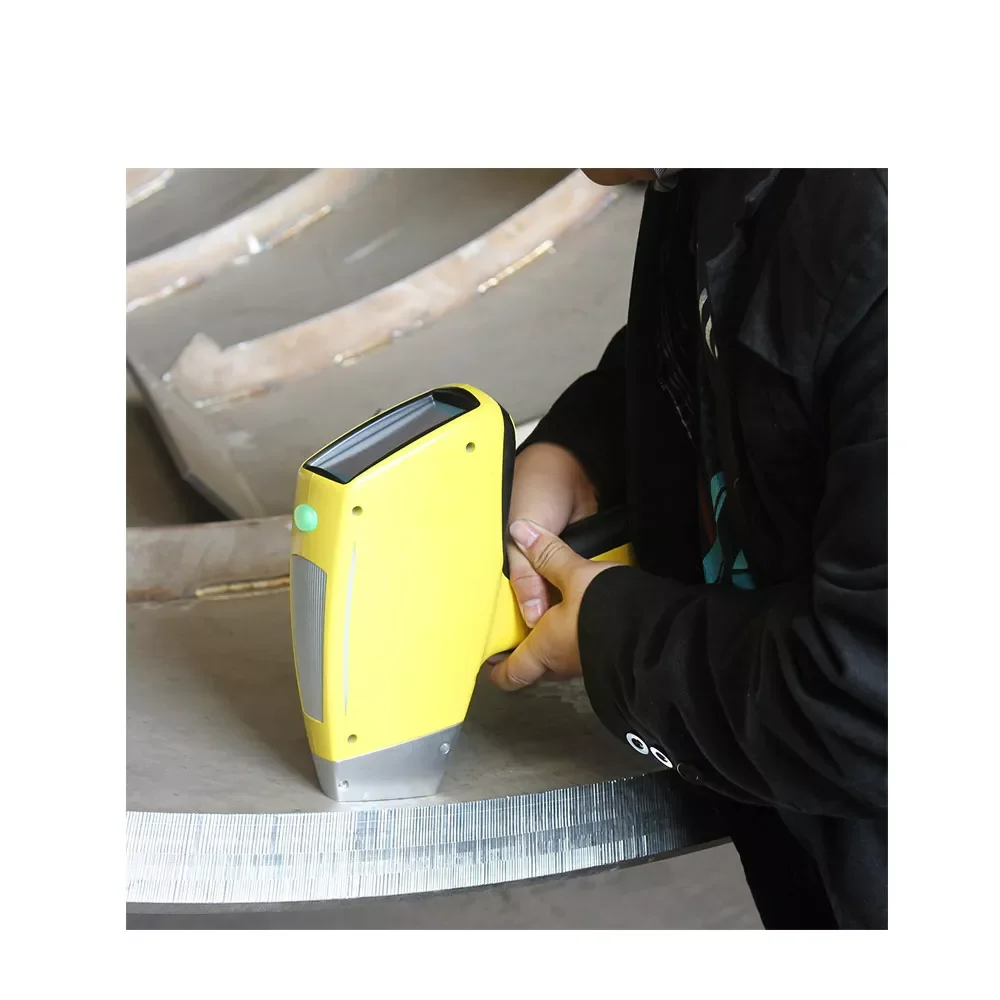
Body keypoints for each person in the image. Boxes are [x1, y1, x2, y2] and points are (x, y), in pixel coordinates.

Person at [488, 168, 887, 929]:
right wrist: (585, 448)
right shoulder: (699, 164)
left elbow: (874, 700)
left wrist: (615, 640)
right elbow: (724, 340)